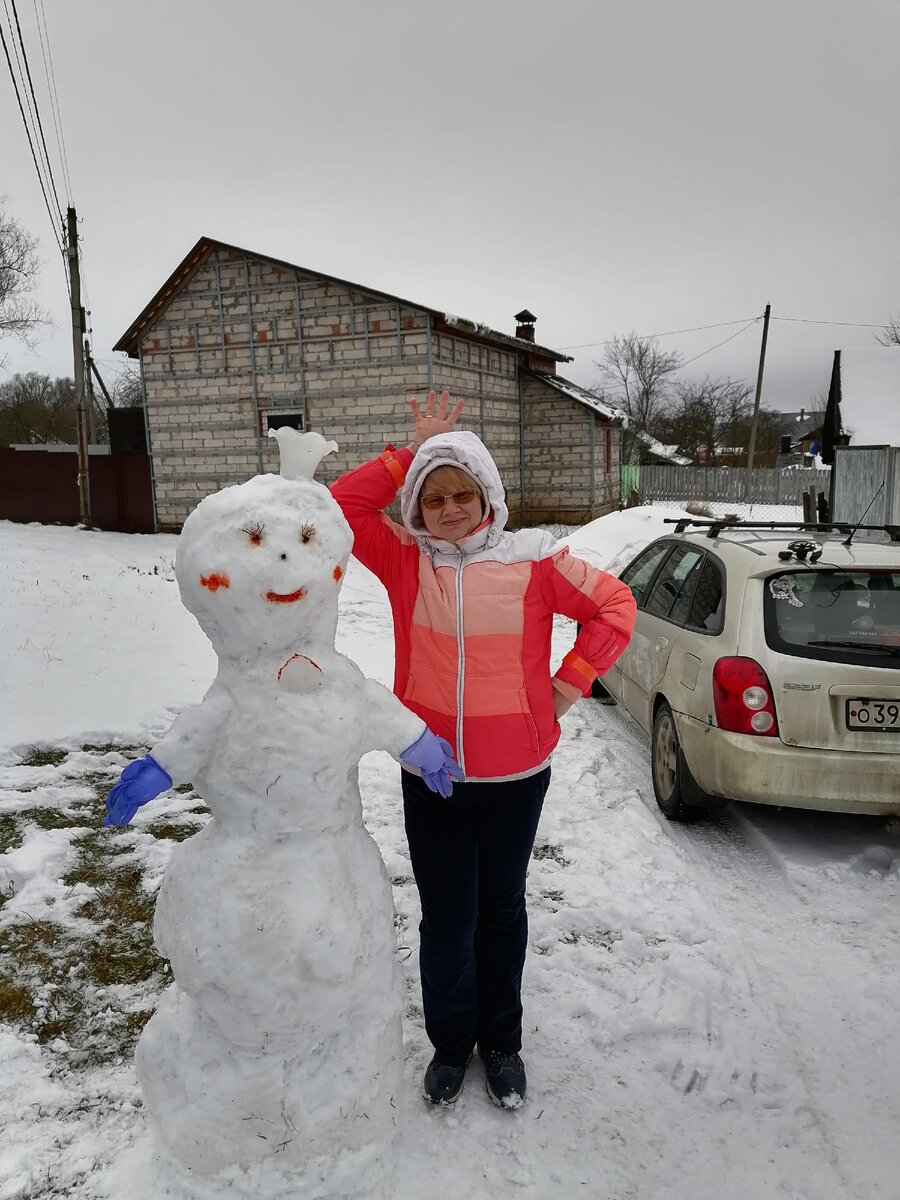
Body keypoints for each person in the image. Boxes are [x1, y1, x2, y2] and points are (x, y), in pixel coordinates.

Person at [330, 390, 637, 1109]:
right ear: (417, 507)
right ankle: (449, 1044)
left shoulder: (535, 563)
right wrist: (412, 453)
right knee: (446, 917)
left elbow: (615, 607)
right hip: (432, 773)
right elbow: (344, 504)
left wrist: (569, 685)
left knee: (501, 912)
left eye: (462, 492)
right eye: (433, 498)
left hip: (515, 778)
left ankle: (501, 1043)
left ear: (488, 495)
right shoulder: (408, 563)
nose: (449, 508)